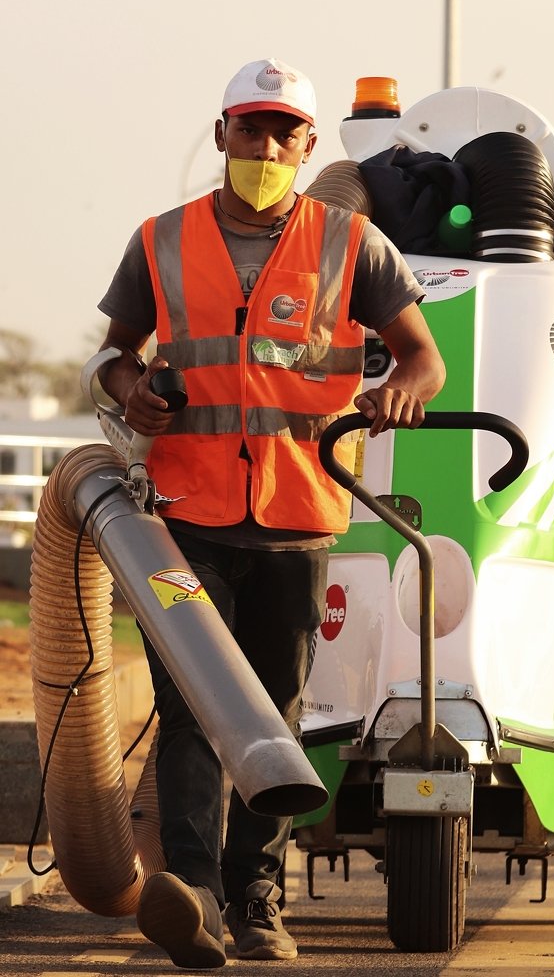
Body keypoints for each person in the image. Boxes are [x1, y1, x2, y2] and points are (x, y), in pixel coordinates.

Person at [95, 57, 446, 969]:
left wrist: (403, 389)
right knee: (191, 709)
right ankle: (198, 900)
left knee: (275, 718)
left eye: (284, 132)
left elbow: (422, 357)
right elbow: (111, 356)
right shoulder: (160, 240)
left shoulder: (350, 242)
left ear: (309, 145)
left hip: (299, 514)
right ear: (220, 135)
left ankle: (259, 901)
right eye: (249, 129)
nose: (265, 147)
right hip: (182, 518)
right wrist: (132, 390)